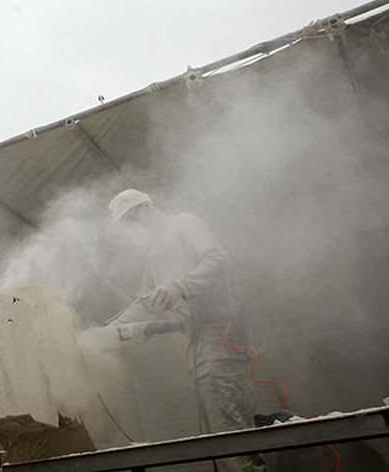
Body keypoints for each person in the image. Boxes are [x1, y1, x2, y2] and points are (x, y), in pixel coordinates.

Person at [106, 189, 269, 472]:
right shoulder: (154, 257)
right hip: (199, 356)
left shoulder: (183, 224)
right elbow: (145, 305)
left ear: (148, 208)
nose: (134, 227)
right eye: (127, 224)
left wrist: (181, 287)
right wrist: (106, 331)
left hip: (222, 342)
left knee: (235, 447)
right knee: (228, 443)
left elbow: (218, 261)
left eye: (134, 219)